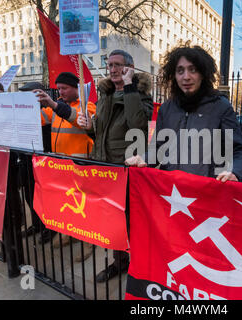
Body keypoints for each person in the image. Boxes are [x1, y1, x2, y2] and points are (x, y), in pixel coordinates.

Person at [77, 49, 153, 282]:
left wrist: (129, 87)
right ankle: (119, 262)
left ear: (129, 67)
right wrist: (89, 125)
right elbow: (101, 130)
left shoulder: (141, 95)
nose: (113, 69)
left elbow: (137, 124)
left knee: (130, 220)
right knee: (111, 221)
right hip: (104, 167)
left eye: (118, 65)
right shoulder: (105, 95)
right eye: (110, 65)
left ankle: (139, 263)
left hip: (125, 169)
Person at [125, 45, 242, 182]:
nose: (186, 77)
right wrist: (143, 158)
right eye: (180, 71)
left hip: (206, 191)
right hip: (170, 191)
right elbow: (158, 149)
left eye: (193, 70)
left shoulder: (220, 106)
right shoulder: (167, 108)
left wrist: (234, 172)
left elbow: (239, 151)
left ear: (203, 74)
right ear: (174, 75)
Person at [18, 82, 55, 244]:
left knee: (45, 197)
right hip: (26, 159)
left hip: (43, 160)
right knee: (29, 193)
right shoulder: (21, 112)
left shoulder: (47, 112)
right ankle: (37, 223)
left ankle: (50, 227)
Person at [36, 72, 96, 157]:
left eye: (64, 88)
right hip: (59, 163)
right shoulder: (54, 107)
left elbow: (81, 120)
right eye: (59, 88)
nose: (60, 92)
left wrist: (55, 106)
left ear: (76, 88)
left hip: (80, 164)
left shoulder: (88, 106)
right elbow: (36, 119)